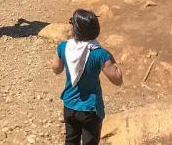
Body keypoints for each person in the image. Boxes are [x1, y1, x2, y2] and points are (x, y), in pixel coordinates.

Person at [52, 9, 123, 145]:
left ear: (76, 29)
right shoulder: (100, 54)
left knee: (71, 141)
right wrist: (111, 59)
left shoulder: (63, 47)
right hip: (90, 109)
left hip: (69, 105)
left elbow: (56, 69)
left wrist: (60, 54)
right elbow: (118, 80)